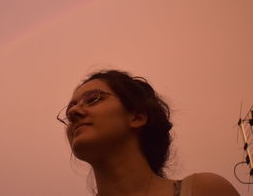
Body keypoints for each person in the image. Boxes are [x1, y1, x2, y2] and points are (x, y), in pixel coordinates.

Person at [57, 70, 239, 196]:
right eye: (69, 110)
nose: (73, 112)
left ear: (136, 117)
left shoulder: (204, 190)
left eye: (92, 99)